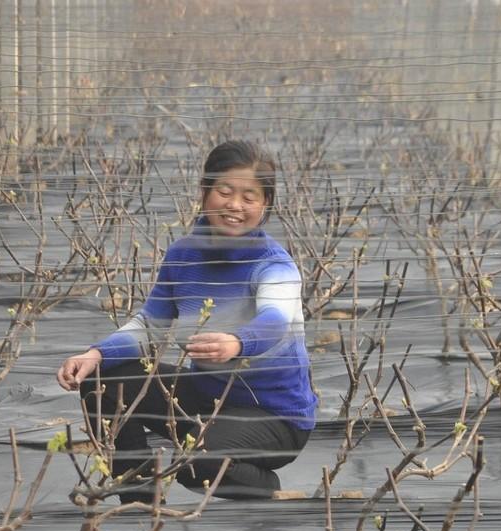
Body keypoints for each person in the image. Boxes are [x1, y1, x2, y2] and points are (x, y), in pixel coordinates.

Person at [56, 140, 316, 501]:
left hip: (273, 416)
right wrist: (96, 355)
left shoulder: (274, 265)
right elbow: (150, 324)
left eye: (250, 196)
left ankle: (266, 489)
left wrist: (238, 343)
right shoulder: (184, 256)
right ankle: (138, 501)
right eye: (224, 191)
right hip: (207, 398)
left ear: (265, 204)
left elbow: (277, 320)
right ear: (205, 192)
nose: (235, 205)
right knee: (103, 383)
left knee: (196, 465)